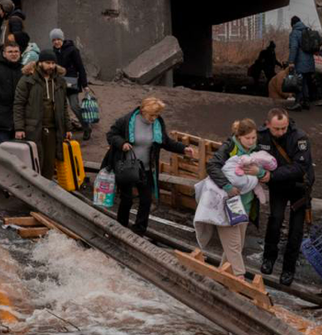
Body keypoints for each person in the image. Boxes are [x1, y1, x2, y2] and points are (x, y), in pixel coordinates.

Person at [103, 97, 193, 236]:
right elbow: (111, 134)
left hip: (146, 169)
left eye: (156, 115)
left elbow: (166, 142)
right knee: (126, 199)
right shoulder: (126, 121)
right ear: (143, 110)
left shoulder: (157, 123)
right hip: (127, 167)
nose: (154, 118)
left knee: (146, 200)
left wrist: (183, 149)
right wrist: (122, 143)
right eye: (152, 115)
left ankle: (139, 231)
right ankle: (121, 226)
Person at [202, 119, 268, 279]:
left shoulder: (255, 150)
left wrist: (259, 172)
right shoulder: (229, 147)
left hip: (245, 204)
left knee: (236, 246)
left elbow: (263, 170)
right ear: (239, 137)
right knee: (233, 245)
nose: (251, 142)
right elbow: (212, 166)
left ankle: (220, 277)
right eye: (248, 138)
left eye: (254, 138)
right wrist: (227, 186)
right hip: (227, 203)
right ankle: (240, 277)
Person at [258, 108, 315, 286]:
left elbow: (300, 168)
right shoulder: (262, 137)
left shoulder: (300, 138)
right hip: (278, 186)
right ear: (268, 125)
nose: (281, 132)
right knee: (275, 219)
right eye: (277, 129)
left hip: (299, 187)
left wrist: (272, 175)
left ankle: (288, 269)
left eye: (284, 128)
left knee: (296, 230)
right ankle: (268, 259)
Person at [13, 49, 72, 179]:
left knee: (49, 165)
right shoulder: (27, 80)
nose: (50, 66)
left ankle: (46, 194)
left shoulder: (59, 81)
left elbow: (63, 106)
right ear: (40, 63)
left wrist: (67, 127)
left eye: (53, 63)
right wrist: (19, 128)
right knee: (34, 163)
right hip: (33, 129)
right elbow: (18, 104)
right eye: (47, 63)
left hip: (53, 130)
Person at [50, 28, 92, 141]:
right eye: (54, 40)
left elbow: (81, 68)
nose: (56, 42)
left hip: (72, 83)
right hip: (59, 84)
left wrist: (85, 85)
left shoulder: (72, 50)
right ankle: (64, 130)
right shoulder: (52, 52)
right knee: (60, 108)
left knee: (74, 106)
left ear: (62, 39)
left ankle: (86, 127)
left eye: (58, 39)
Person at [287, 16, 315, 111]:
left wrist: (291, 61)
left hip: (300, 62)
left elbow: (294, 48)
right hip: (310, 61)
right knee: (305, 82)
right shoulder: (307, 30)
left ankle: (298, 102)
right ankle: (306, 102)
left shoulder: (295, 33)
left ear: (293, 24)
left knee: (298, 82)